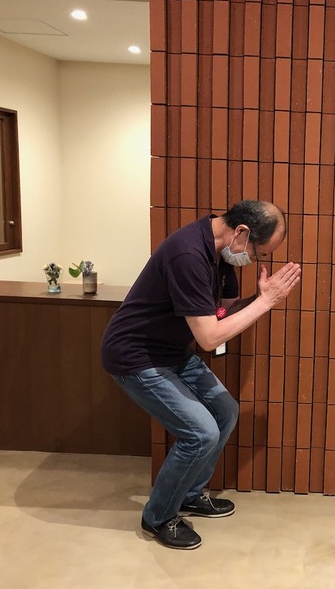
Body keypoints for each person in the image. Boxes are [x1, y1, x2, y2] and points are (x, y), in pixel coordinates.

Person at [101, 200, 301, 550]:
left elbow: (222, 312)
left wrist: (258, 298)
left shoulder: (220, 253)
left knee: (225, 411)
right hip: (136, 356)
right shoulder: (188, 255)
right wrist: (265, 302)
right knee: (200, 432)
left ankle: (189, 494)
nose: (256, 261)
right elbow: (209, 338)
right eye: (259, 253)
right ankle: (158, 516)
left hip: (172, 351)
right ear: (241, 233)